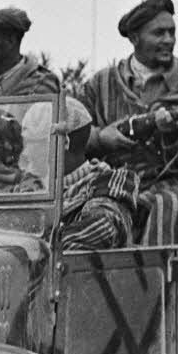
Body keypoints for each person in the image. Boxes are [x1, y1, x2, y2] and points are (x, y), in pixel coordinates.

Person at [80, 0, 178, 246]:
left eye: (172, 32)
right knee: (93, 216)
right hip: (113, 183)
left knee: (170, 206)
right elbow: (71, 132)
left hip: (177, 186)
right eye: (159, 33)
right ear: (135, 38)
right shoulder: (100, 85)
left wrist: (174, 136)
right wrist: (101, 139)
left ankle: (160, 284)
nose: (168, 40)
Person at [55, 96, 142, 251]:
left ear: (63, 143)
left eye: (34, 143)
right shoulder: (35, 187)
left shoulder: (105, 185)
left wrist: (37, 249)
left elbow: (104, 225)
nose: (25, 152)